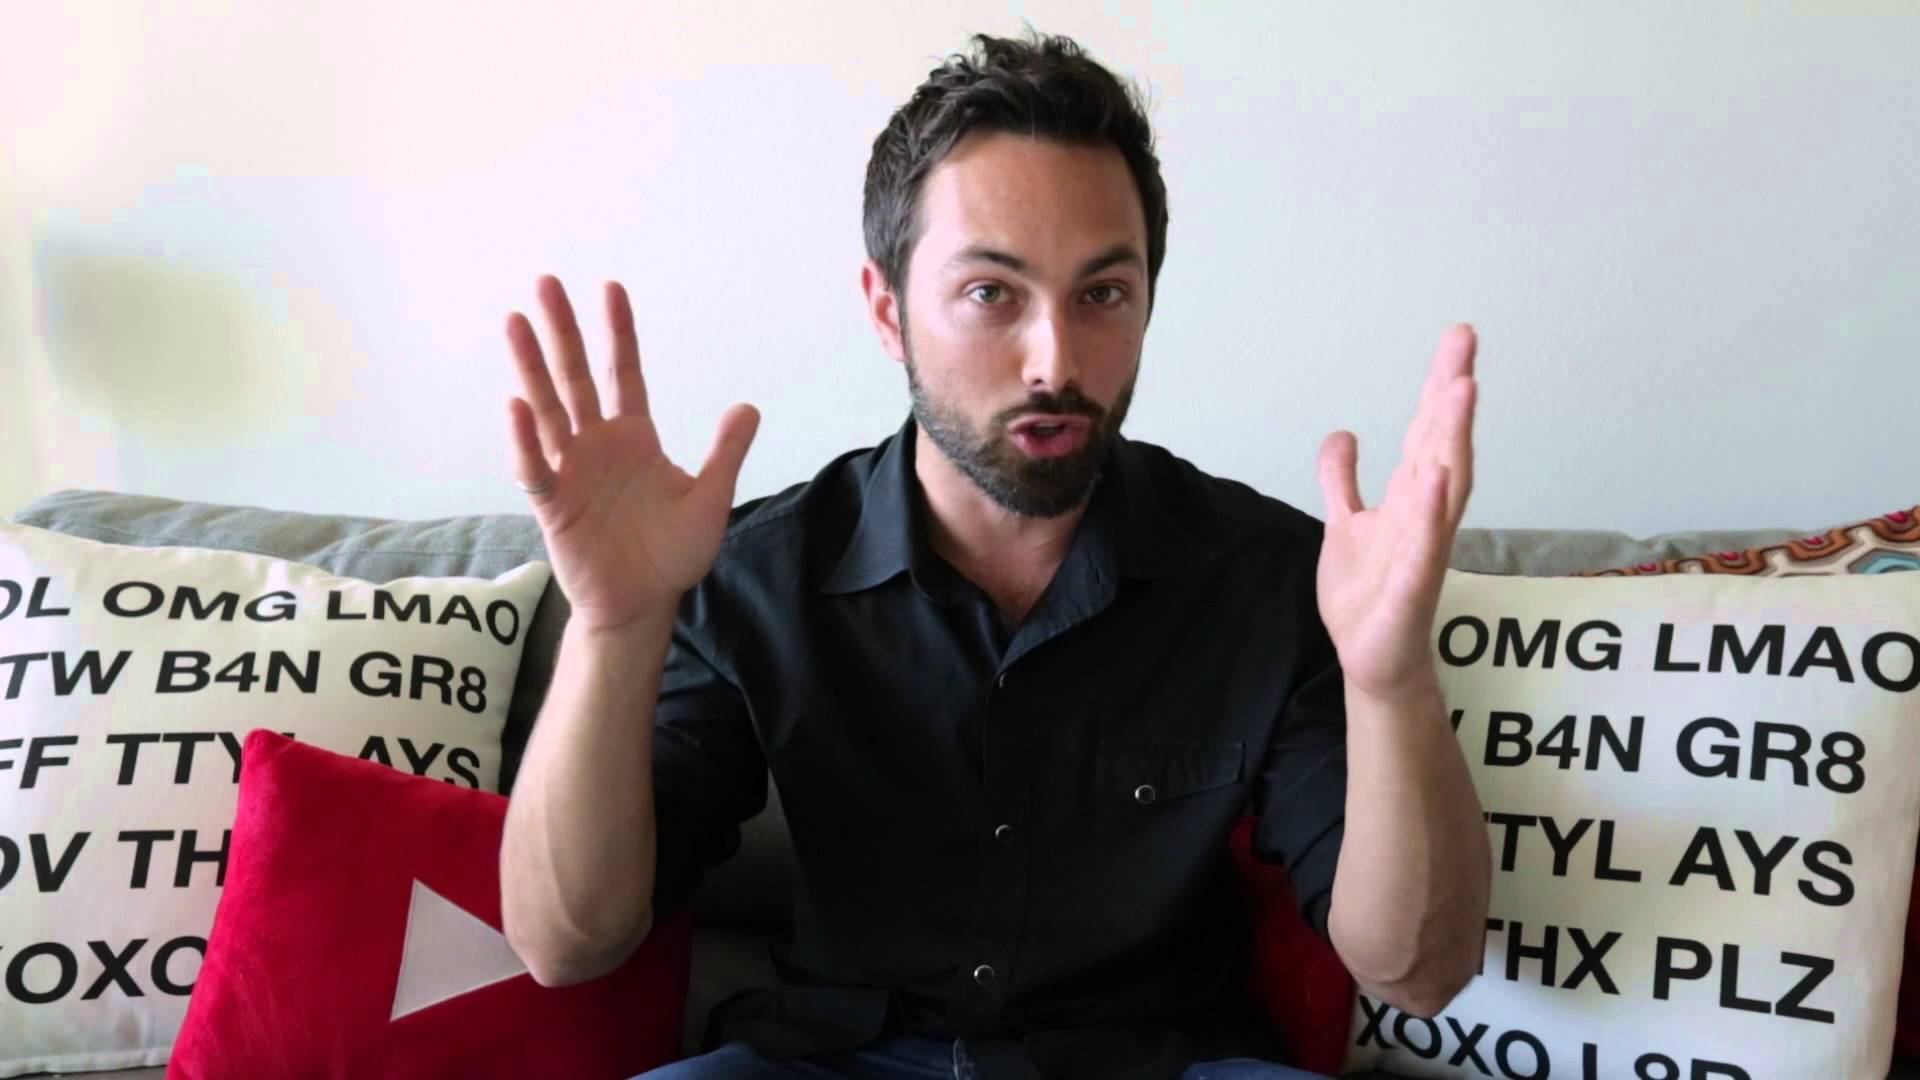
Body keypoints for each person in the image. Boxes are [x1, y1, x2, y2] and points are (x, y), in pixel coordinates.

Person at [497, 29, 1491, 1080]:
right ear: (888, 310)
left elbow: (1417, 973)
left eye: (1102, 294)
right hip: (834, 1059)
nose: (1054, 361)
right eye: (991, 293)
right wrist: (613, 629)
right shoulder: (751, 575)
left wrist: (1392, 684)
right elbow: (568, 944)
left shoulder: (1273, 579)